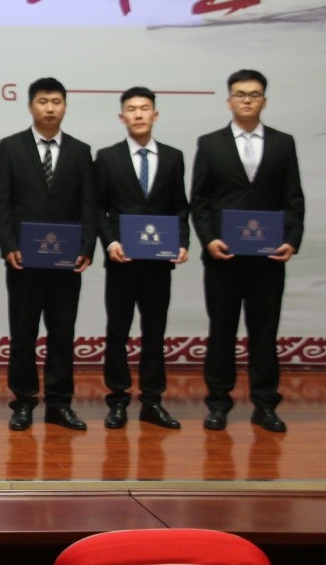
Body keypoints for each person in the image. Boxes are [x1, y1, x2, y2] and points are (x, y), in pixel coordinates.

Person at [190, 69, 304, 433]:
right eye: (240, 94)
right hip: (223, 257)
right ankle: (218, 404)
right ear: (229, 101)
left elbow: (293, 198)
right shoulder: (211, 144)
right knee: (221, 331)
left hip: (268, 258)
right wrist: (209, 239)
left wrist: (292, 239)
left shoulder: (283, 143)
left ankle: (265, 405)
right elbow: (199, 201)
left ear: (264, 101)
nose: (247, 100)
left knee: (264, 333)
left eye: (254, 95)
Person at [0, 77, 97, 431]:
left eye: (56, 102)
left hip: (66, 262)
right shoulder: (11, 147)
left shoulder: (80, 151)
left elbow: (89, 205)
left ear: (65, 106)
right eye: (42, 101)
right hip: (23, 260)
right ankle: (22, 402)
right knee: (23, 333)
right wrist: (8, 246)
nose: (49, 108)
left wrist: (86, 248)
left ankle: (59, 404)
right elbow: (2, 203)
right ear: (30, 106)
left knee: (62, 334)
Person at [94, 86, 188, 430]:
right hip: (122, 262)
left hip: (158, 263)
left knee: (154, 332)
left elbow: (180, 207)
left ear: (155, 115)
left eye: (144, 108)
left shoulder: (173, 157)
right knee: (117, 331)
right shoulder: (107, 157)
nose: (138, 114)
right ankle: (117, 400)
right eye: (131, 109)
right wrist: (110, 243)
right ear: (122, 117)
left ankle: (152, 401)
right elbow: (98, 208)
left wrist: (182, 242)